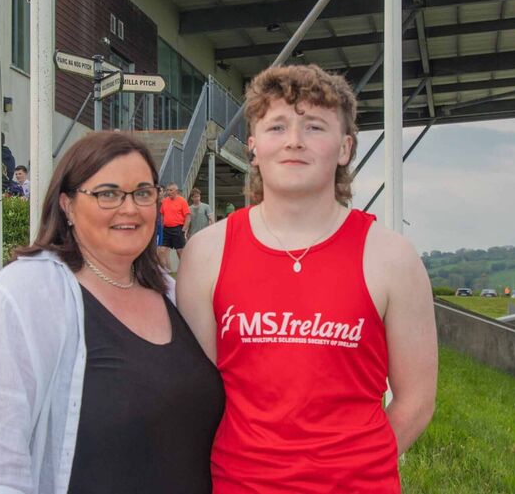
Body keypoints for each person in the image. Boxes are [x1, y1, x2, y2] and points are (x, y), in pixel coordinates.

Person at [177, 64, 438, 493]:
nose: (294, 140)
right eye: (277, 126)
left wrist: (354, 472)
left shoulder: (392, 257)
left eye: (315, 126)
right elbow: (199, 398)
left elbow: (417, 400)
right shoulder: (206, 253)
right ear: (253, 146)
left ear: (345, 148)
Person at [0, 131, 224, 494]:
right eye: (107, 194)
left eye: (142, 193)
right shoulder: (21, 299)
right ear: (67, 205)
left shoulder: (174, 294)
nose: (129, 208)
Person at [159, 183, 191, 260]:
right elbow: (162, 214)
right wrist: (162, 225)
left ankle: (184, 267)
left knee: (180, 252)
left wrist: (183, 230)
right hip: (166, 229)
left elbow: (188, 217)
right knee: (161, 251)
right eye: (167, 190)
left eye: (171, 190)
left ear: (176, 191)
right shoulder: (165, 201)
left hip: (178, 229)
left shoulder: (182, 201)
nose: (168, 192)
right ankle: (166, 268)